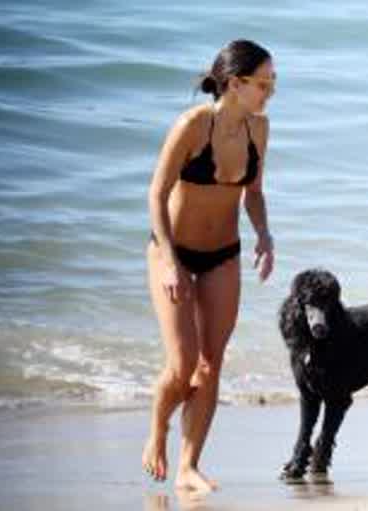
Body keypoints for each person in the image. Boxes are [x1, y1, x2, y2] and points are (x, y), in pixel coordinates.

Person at [142, 39, 276, 492]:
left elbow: (253, 193)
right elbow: (157, 194)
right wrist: (168, 261)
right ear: (235, 84)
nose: (270, 92)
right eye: (263, 84)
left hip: (224, 254)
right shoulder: (193, 125)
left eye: (273, 83)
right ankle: (158, 429)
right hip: (173, 251)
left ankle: (188, 466)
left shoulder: (260, 129)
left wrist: (264, 235)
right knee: (182, 365)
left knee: (210, 364)